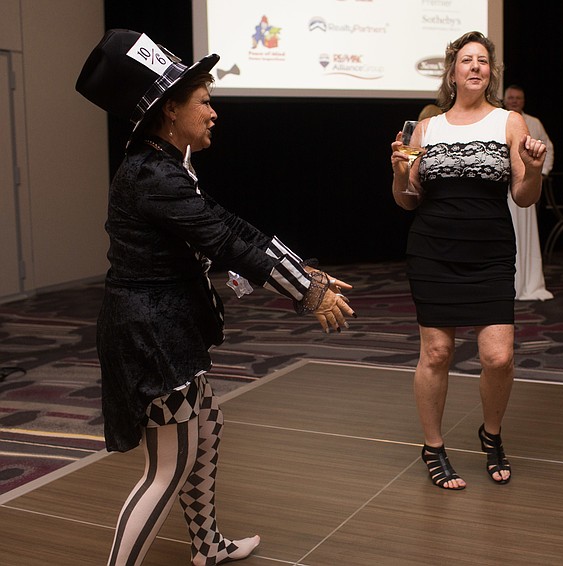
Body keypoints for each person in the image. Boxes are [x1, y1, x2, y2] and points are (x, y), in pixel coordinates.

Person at [75, 30, 355, 565]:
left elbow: (227, 225)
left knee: (206, 425)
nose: (213, 111)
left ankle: (206, 545)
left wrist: (302, 271)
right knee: (167, 468)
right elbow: (223, 241)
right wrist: (306, 291)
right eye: (203, 100)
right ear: (169, 111)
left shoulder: (166, 165)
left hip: (167, 326)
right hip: (150, 333)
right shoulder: (152, 174)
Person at [390, 31, 546, 490]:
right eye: (466, 60)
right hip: (433, 251)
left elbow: (523, 196)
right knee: (436, 353)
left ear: (490, 72)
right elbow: (407, 199)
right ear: (452, 71)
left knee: (498, 357)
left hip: (490, 253)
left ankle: (491, 434)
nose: (475, 67)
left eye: (483, 61)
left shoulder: (509, 121)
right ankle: (433, 447)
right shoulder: (427, 128)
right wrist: (399, 174)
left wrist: (533, 169)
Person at [503, 84, 554, 300]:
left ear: (523, 101)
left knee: (525, 232)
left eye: (518, 98)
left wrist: (542, 174)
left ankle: (526, 281)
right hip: (502, 189)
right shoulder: (498, 120)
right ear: (505, 99)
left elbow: (548, 148)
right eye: (511, 97)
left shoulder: (533, 123)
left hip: (526, 186)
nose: (514, 101)